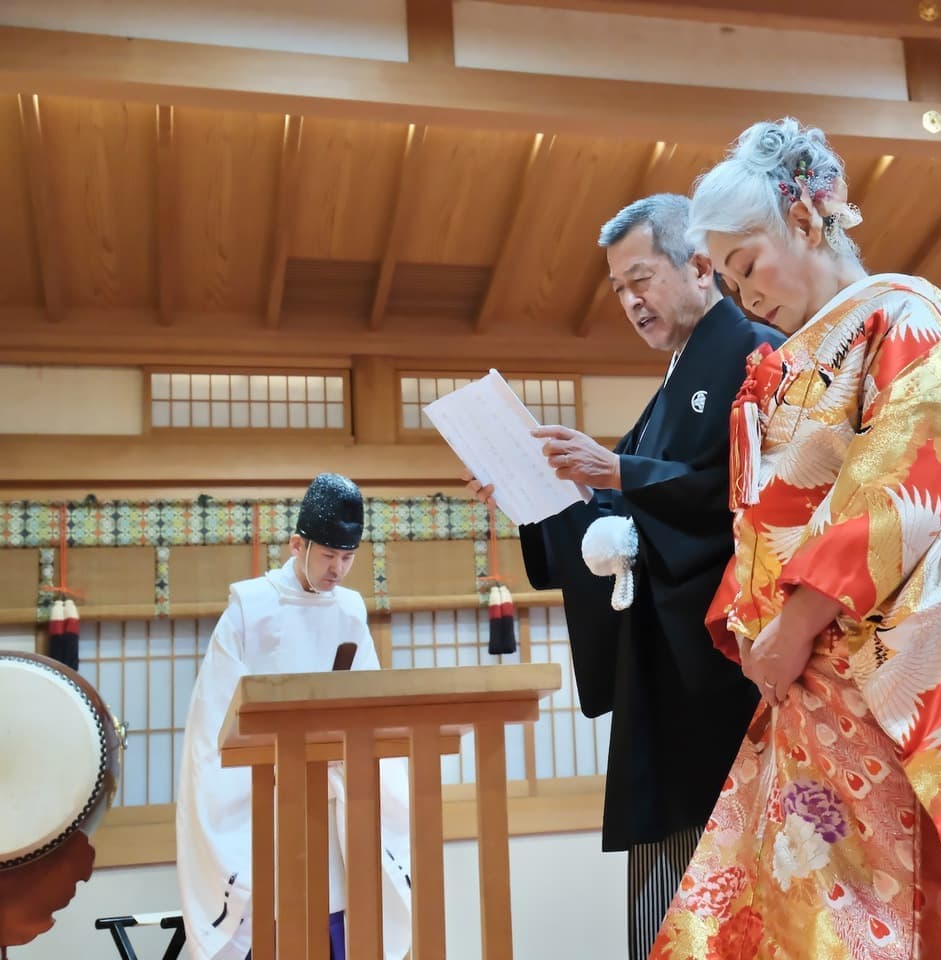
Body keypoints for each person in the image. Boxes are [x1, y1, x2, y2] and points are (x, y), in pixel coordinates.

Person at [648, 118, 941, 959]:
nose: (744, 296)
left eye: (749, 265)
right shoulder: (793, 360)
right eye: (728, 280)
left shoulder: (900, 317)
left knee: (887, 890)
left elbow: (903, 476)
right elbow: (763, 515)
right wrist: (763, 626)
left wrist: (796, 621)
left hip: (897, 656)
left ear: (806, 218)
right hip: (813, 669)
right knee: (808, 897)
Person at [466, 194, 786, 959]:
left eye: (641, 279)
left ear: (700, 265)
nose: (631, 301)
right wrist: (537, 498)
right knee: (665, 910)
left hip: (730, 679)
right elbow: (622, 514)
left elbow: (760, 500)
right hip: (665, 683)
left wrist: (619, 473)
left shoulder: (758, 354)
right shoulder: (674, 385)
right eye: (618, 289)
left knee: (741, 909)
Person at [176, 474, 412, 960]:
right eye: (327, 555)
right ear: (296, 544)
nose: (338, 569)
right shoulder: (250, 607)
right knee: (274, 915)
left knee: (336, 912)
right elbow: (213, 722)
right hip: (263, 795)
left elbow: (371, 704)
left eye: (347, 557)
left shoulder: (350, 610)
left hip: (335, 794)